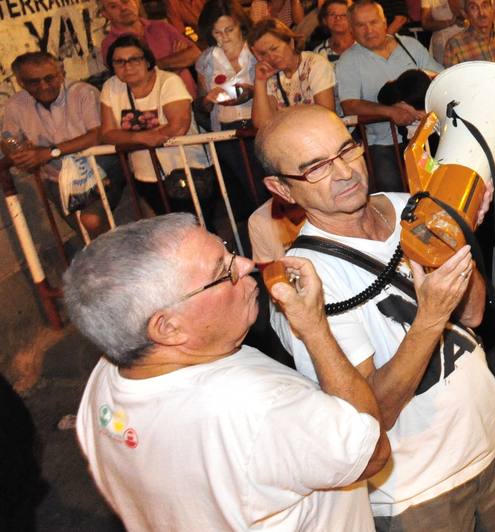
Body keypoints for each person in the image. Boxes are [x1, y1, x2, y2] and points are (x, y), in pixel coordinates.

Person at [257, 106, 495, 530]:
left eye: (346, 150)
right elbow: (370, 417)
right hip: (419, 491)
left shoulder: (409, 206)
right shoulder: (306, 283)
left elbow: (474, 314)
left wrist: (460, 235)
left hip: (489, 441)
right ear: (281, 188)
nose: (345, 172)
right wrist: (429, 318)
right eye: (315, 168)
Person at [67, 214, 388, 531]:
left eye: (226, 249)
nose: (246, 264)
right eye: (223, 271)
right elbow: (372, 452)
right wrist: (316, 328)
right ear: (168, 327)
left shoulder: (107, 375)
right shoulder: (258, 405)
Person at [98, 35, 215, 226]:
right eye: (119, 62)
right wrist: (143, 137)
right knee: (171, 232)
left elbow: (178, 126)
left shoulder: (169, 81)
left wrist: (130, 138)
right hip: (147, 174)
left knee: (200, 227)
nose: (127, 66)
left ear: (147, 60)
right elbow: (108, 133)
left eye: (134, 59)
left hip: (187, 167)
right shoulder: (111, 87)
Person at [3, 52, 119, 236]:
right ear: (21, 83)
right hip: (58, 179)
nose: (43, 86)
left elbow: (97, 135)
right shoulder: (15, 105)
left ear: (61, 74)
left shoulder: (83, 92)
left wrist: (49, 153)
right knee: (87, 234)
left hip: (99, 168)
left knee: (92, 222)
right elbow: (9, 140)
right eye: (34, 82)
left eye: (49, 78)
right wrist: (21, 155)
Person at [335, 2, 441, 192]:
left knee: (438, 187)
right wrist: (391, 112)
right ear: (351, 30)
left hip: (426, 139)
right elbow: (349, 105)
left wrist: (422, 109)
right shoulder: (348, 61)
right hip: (384, 145)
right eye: (360, 25)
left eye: (374, 22)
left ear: (385, 22)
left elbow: (439, 79)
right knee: (393, 196)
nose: (369, 30)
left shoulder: (409, 45)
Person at [193, 0, 260, 231]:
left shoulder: (256, 50)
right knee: (242, 193)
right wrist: (208, 99)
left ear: (240, 24)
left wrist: (255, 90)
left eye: (229, 30)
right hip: (226, 131)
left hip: (259, 124)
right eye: (217, 32)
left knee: (265, 186)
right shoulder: (206, 60)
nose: (224, 37)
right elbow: (203, 106)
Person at [97, 0, 201, 98]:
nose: (123, 8)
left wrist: (151, 67)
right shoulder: (110, 44)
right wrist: (177, 62)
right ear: (105, 14)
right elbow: (136, 80)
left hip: (191, 100)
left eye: (125, 1)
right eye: (113, 6)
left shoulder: (161, 26)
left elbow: (195, 54)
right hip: (154, 111)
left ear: (135, 1)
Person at [249, 19, 339, 131]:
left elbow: (326, 114)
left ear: (290, 43)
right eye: (263, 54)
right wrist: (260, 81)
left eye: (274, 49)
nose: (271, 57)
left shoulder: (315, 64)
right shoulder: (270, 75)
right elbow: (262, 124)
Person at [312, 0, 358, 65]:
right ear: (324, 20)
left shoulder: (364, 44)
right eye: (332, 14)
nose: (338, 18)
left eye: (343, 15)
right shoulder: (319, 53)